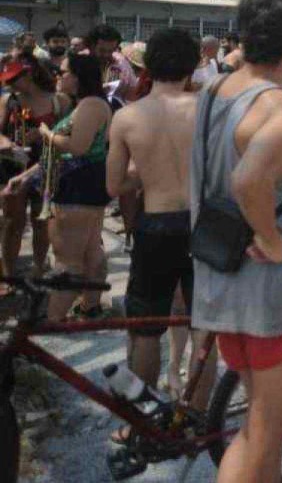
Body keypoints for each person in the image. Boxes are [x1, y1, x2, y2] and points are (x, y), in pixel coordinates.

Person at [190, 0, 282, 483]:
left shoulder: (213, 91)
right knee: (264, 439)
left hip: (222, 276)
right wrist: (270, 237)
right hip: (273, 291)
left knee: (257, 432)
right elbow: (248, 180)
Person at [105, 27, 215, 434]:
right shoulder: (206, 109)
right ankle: (199, 420)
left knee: (146, 329)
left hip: (156, 224)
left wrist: (147, 176)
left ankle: (140, 424)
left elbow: (115, 186)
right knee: (203, 325)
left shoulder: (127, 117)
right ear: (194, 65)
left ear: (148, 66)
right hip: (202, 225)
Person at [8, 53, 113, 320]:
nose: (58, 75)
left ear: (78, 77)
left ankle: (52, 320)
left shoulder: (90, 105)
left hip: (77, 189)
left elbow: (76, 148)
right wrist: (28, 176)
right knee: (90, 253)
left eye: (63, 72)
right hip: (82, 185)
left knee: (67, 260)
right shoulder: (87, 104)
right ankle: (90, 307)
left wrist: (47, 134)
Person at [0, 55, 68, 291]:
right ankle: (8, 274)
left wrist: (44, 134)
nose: (9, 84)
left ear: (28, 75)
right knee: (12, 223)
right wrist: (7, 144)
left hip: (46, 167)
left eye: (13, 79)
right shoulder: (8, 100)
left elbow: (67, 134)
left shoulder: (59, 101)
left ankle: (38, 268)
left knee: (42, 222)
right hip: (12, 168)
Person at [86, 24, 136, 105]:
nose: (106, 55)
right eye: (102, 50)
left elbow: (135, 92)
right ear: (91, 46)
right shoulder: (81, 63)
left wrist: (124, 90)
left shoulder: (121, 63)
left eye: (111, 51)